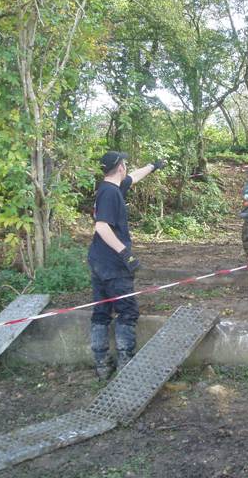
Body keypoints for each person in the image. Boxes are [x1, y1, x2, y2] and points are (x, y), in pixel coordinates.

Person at [88, 151, 165, 379]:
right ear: (120, 167)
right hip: (113, 263)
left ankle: (102, 364)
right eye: (125, 164)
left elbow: (134, 177)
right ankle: (125, 363)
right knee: (127, 311)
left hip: (99, 261)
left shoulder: (111, 187)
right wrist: (125, 254)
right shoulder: (110, 193)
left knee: (101, 311)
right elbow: (102, 226)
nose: (127, 168)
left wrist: (153, 166)